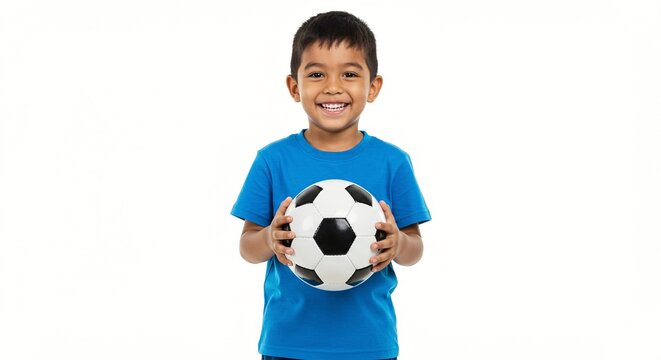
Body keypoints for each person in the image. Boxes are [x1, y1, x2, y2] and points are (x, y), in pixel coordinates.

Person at [231, 10, 431, 360]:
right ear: (295, 87)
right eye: (317, 74)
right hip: (288, 344)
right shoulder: (272, 160)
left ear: (373, 87)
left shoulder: (393, 162)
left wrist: (399, 245)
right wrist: (268, 239)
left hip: (369, 345)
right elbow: (247, 248)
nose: (333, 86)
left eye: (350, 74)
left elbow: (415, 249)